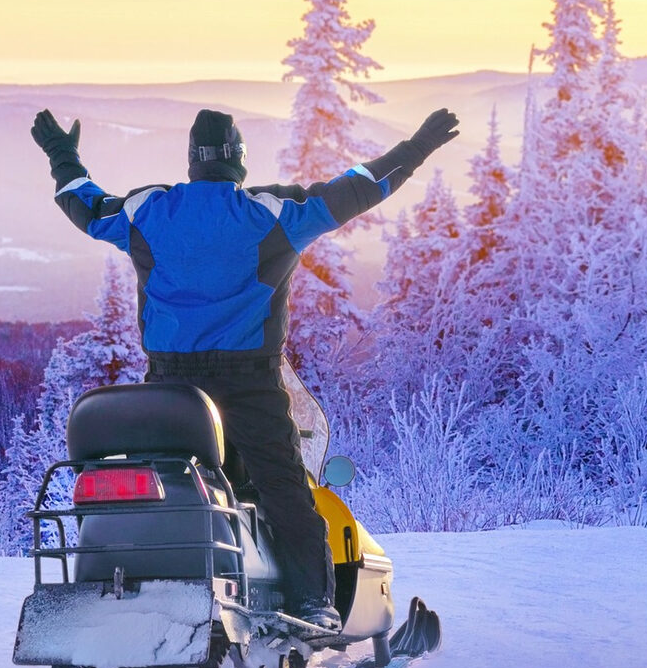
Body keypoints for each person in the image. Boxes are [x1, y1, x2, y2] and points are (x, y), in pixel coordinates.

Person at [30, 104, 459, 632]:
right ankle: (310, 605)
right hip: (248, 385)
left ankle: (142, 585)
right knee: (285, 492)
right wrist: (417, 146)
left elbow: (85, 206)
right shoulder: (271, 212)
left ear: (191, 162)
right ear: (238, 161)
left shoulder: (149, 211)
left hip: (167, 387)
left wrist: (61, 154)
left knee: (171, 482)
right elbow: (360, 187)